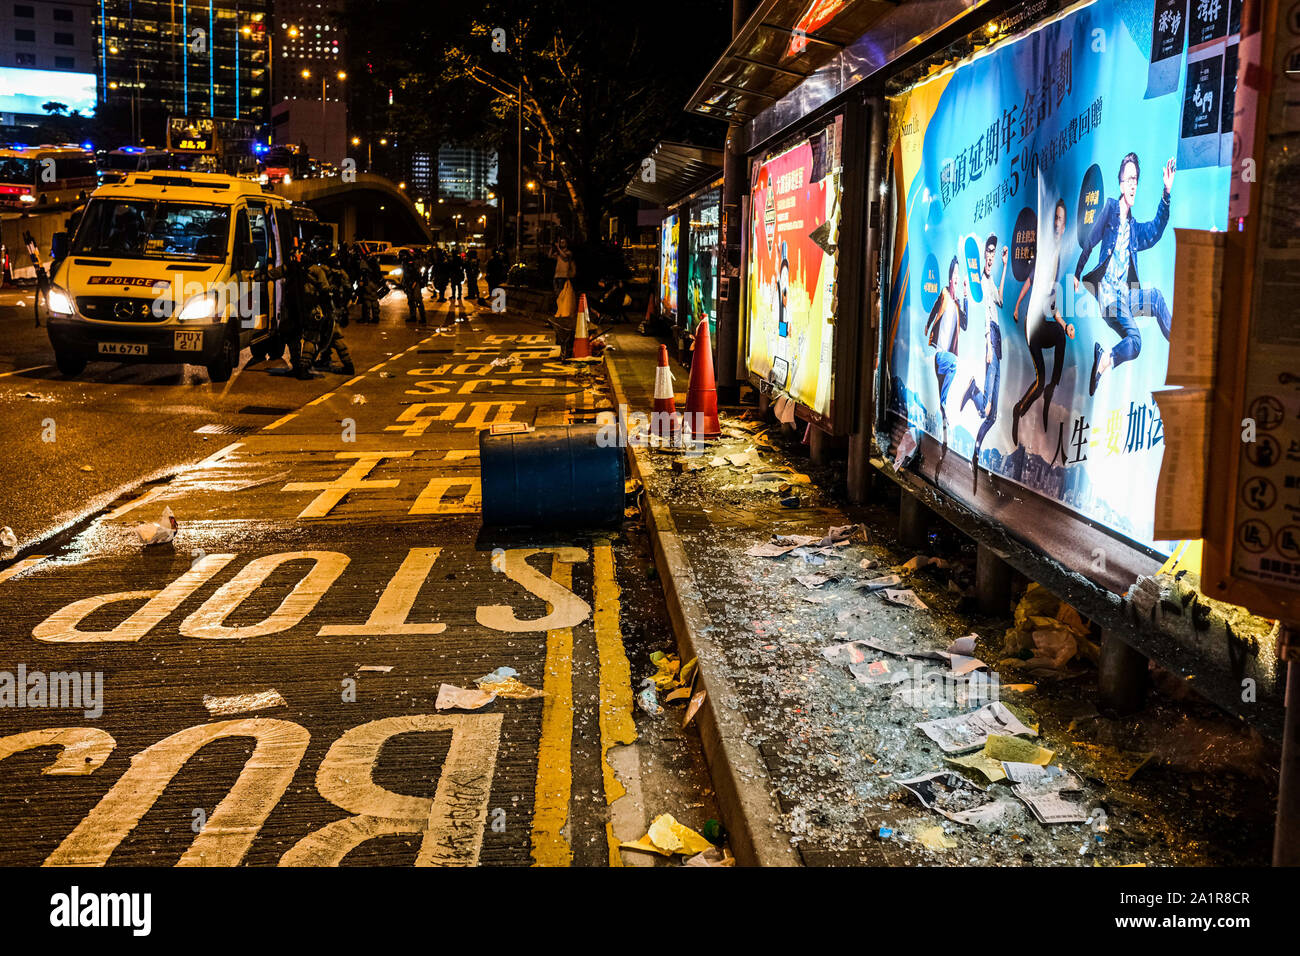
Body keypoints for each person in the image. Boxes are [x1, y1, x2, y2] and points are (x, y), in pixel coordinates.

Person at [1075, 152, 1175, 396]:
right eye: (1129, 179)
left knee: (1156, 298)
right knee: (1137, 341)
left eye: (1136, 180)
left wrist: (1166, 195)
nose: (1133, 184)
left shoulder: (1134, 228)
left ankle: (1178, 343)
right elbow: (1090, 242)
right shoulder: (1109, 208)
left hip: (1125, 299)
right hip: (1109, 299)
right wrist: (1078, 273)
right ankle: (1106, 358)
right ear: (1120, 183)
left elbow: (1155, 231)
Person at [1011, 197, 1076, 446]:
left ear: (1065, 224)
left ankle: (1045, 392)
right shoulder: (1046, 253)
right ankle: (1025, 406)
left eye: (1062, 219)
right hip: (1033, 324)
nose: (1059, 223)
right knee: (1040, 378)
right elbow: (1029, 282)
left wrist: (1064, 325)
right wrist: (1017, 307)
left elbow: (1053, 305)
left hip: (1043, 320)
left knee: (1058, 341)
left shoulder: (1058, 259)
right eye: (1056, 218)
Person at [960, 235, 1009, 485]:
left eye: (993, 252)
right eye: (989, 252)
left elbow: (1000, 300)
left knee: (993, 414)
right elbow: (984, 317)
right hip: (991, 337)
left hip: (998, 340)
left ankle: (976, 453)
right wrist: (988, 345)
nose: (991, 256)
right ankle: (972, 390)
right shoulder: (979, 282)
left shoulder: (989, 281)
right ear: (982, 256)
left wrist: (1005, 265)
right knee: (985, 407)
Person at [923, 255, 968, 453]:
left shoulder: (958, 304)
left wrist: (966, 295)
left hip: (945, 357)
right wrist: (927, 325)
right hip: (941, 355)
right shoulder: (944, 294)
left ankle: (944, 439)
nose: (957, 277)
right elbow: (934, 308)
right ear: (950, 276)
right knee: (954, 364)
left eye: (959, 274)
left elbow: (965, 324)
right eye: (955, 273)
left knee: (942, 403)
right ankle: (943, 416)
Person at [356, 246, 383, 325]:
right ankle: (375, 317)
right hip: (375, 282)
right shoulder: (374, 260)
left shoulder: (365, 261)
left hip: (368, 282)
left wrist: (361, 282)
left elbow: (363, 272)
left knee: (366, 300)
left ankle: (366, 318)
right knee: (374, 299)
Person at [400, 248, 426, 325]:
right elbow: (405, 275)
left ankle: (423, 318)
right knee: (411, 301)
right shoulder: (405, 262)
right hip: (408, 283)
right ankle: (413, 316)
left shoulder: (412, 262)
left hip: (414, 283)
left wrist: (414, 283)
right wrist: (404, 284)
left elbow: (416, 274)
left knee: (418, 300)